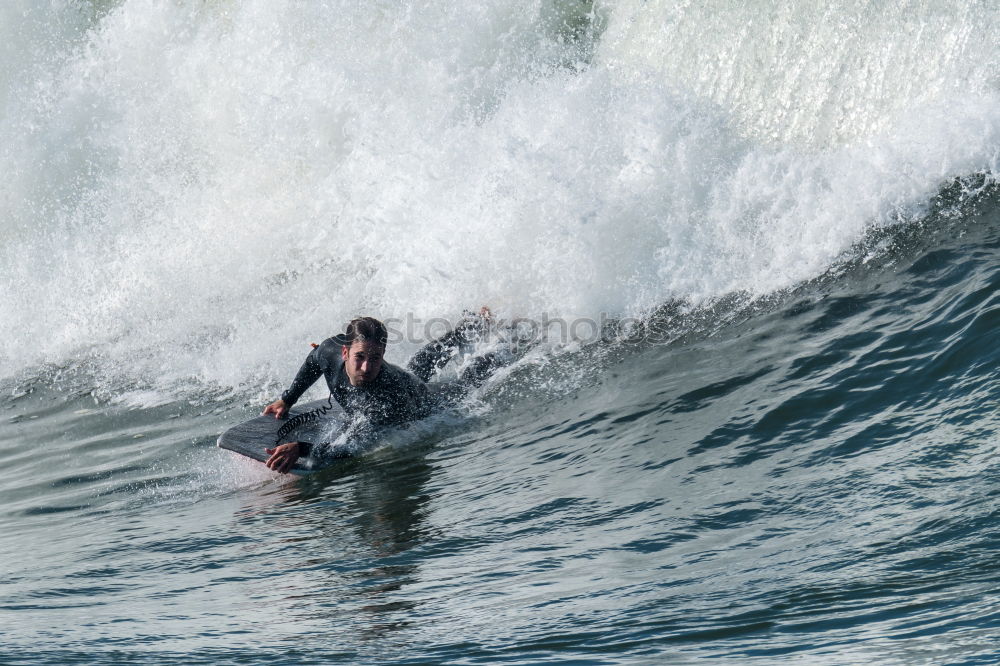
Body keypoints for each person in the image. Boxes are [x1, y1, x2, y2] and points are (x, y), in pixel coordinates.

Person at [263, 311, 500, 473]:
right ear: (345, 352)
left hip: (424, 402)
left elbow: (351, 449)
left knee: (466, 381)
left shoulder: (387, 397)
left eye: (375, 358)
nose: (366, 367)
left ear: (383, 354)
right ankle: (471, 325)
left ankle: (505, 346)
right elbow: (314, 361)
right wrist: (287, 399)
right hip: (404, 381)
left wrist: (301, 448)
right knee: (417, 366)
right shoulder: (329, 350)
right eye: (360, 357)